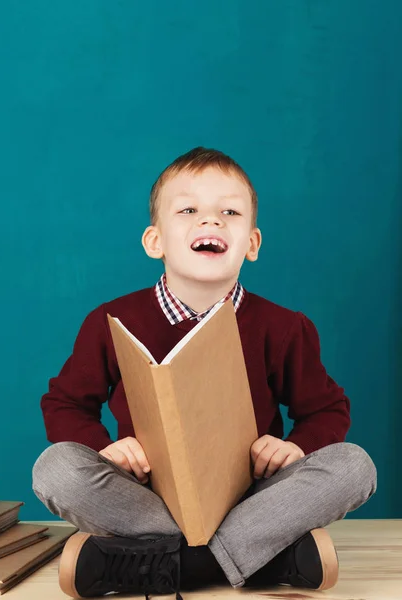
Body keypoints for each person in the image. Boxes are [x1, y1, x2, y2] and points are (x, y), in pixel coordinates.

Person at [32, 147, 377, 599]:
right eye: (189, 209)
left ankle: (161, 564)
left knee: (354, 466)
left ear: (251, 244)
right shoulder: (110, 320)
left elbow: (328, 409)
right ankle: (260, 558)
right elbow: (64, 404)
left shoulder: (285, 326)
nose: (210, 222)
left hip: (254, 498)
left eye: (229, 212)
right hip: (146, 496)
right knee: (54, 469)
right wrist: (108, 449)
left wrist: (293, 447)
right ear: (155, 240)